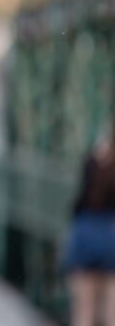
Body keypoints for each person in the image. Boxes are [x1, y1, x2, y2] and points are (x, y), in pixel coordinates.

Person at [64, 125, 115, 326]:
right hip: (111, 238)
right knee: (110, 313)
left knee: (83, 313)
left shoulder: (93, 160)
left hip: (85, 237)